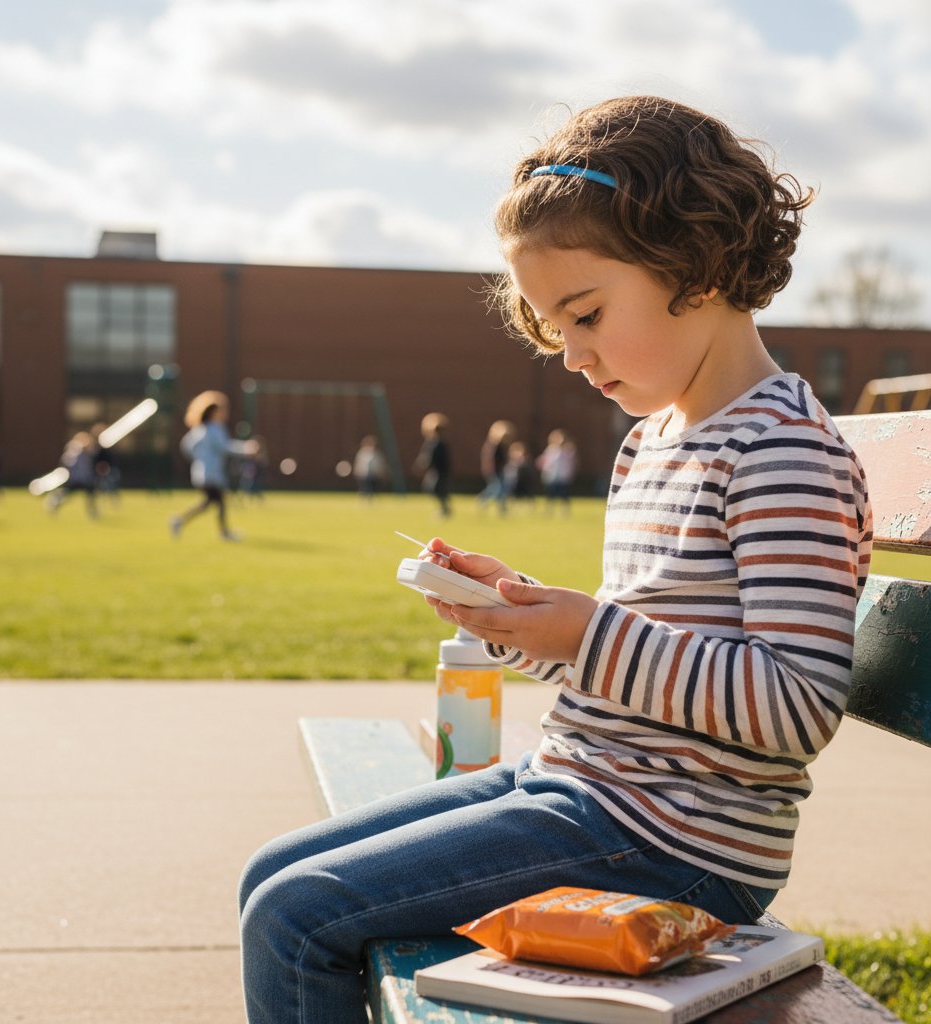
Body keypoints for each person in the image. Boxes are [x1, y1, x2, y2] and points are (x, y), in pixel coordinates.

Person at [237, 95, 873, 1024]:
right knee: (271, 874)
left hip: (677, 843)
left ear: (691, 264)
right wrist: (518, 619)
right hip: (582, 785)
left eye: (584, 313)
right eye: (550, 327)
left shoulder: (782, 452)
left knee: (294, 919)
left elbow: (795, 706)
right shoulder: (654, 441)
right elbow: (625, 659)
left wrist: (588, 630)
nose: (570, 354)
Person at [170, 390, 248, 541]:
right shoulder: (215, 429)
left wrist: (199, 459)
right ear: (213, 412)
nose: (225, 414)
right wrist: (246, 449)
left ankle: (179, 521)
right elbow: (226, 447)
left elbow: (187, 446)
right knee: (219, 502)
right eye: (222, 410)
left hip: (201, 473)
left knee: (210, 503)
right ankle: (225, 533)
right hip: (211, 474)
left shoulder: (200, 429)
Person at [47, 431, 99, 518]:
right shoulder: (74, 453)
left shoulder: (89, 453)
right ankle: (55, 503)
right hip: (75, 480)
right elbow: (67, 462)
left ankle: (93, 513)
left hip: (86, 480)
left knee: (91, 496)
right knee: (66, 494)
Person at [412, 411, 451, 517]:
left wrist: (424, 465)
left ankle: (444, 509)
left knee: (435, 489)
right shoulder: (433, 442)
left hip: (439, 471)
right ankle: (444, 508)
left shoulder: (438, 443)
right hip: (435, 470)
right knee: (433, 488)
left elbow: (431, 457)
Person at [476, 418, 516, 513]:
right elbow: (490, 459)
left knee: (500, 489)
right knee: (498, 488)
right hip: (493, 471)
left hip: (500, 470)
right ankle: (483, 499)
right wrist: (491, 470)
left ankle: (502, 508)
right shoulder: (493, 446)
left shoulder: (502, 446)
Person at [537, 427, 578, 512]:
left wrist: (570, 473)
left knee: (564, 494)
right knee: (551, 494)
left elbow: (572, 463)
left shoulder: (568, 451)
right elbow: (544, 461)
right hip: (551, 476)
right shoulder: (551, 450)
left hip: (563, 476)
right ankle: (549, 509)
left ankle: (565, 509)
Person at [351, 435, 387, 500]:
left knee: (374, 487)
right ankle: (364, 498)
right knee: (365, 487)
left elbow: (380, 464)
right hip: (364, 474)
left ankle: (372, 499)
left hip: (374, 474)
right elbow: (359, 464)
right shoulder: (362, 453)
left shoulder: (377, 453)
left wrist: (381, 472)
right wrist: (358, 472)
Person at [238, 436, 269, 501]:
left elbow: (262, 462)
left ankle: (258, 499)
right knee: (246, 486)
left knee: (256, 488)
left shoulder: (259, 454)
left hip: (255, 475)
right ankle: (244, 498)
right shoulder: (248, 454)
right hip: (248, 475)